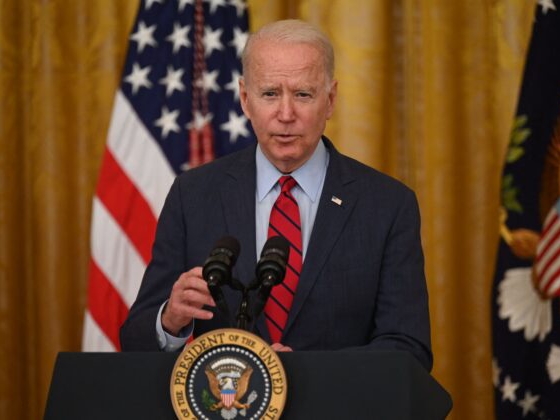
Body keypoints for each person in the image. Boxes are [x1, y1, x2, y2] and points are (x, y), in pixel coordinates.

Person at [119, 19, 432, 371]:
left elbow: (409, 350)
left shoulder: (387, 205)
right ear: (245, 99)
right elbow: (134, 341)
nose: (286, 115)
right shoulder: (192, 196)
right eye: (270, 94)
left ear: (329, 100)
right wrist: (170, 321)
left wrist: (307, 372)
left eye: (303, 94)